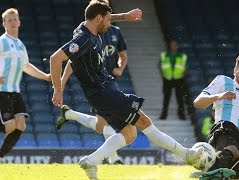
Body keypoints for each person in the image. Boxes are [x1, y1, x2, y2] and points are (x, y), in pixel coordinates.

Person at [49, 1, 203, 179]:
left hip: (102, 93)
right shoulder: (82, 40)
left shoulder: (85, 27)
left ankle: (91, 161)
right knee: (144, 122)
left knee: (129, 134)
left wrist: (125, 17)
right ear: (98, 18)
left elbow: (103, 18)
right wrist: (58, 90)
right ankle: (186, 154)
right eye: (107, 20)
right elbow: (55, 59)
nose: (109, 24)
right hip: (105, 93)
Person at [57, 7, 138, 164]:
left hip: (110, 82)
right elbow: (71, 60)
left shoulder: (115, 32)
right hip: (98, 87)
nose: (109, 18)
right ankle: (113, 159)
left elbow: (123, 56)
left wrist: (120, 68)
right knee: (106, 126)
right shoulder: (85, 33)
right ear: (98, 17)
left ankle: (69, 114)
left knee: (101, 126)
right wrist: (61, 82)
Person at [0, 8, 51, 161]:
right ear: (4, 24)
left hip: (15, 91)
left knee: (20, 125)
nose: (13, 22)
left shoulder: (21, 45)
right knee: (10, 127)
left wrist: (46, 77)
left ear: (20, 22)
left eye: (15, 19)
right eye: (9, 20)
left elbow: (26, 66)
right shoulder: (2, 42)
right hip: (2, 90)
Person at [159, 38, 187, 120]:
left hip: (179, 79)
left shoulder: (182, 56)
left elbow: (185, 68)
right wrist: (163, 76)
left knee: (180, 98)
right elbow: (160, 66)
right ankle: (164, 115)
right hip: (167, 79)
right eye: (172, 45)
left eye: (175, 45)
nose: (173, 46)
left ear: (177, 46)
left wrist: (182, 76)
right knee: (166, 98)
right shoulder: (164, 55)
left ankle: (182, 115)